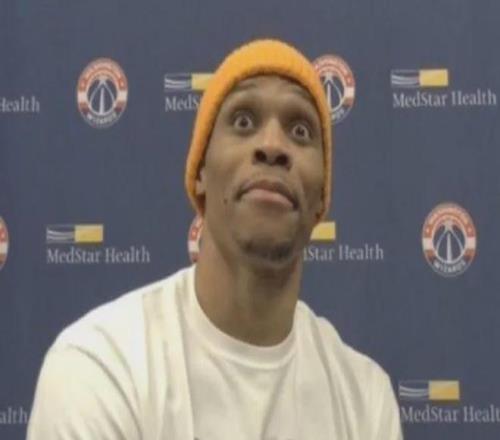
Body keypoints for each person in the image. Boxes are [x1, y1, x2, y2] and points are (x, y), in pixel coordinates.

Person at [27, 39, 403, 440]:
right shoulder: (103, 366)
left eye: (299, 130)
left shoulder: (365, 398)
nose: (272, 146)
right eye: (243, 121)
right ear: (200, 174)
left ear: (321, 199)